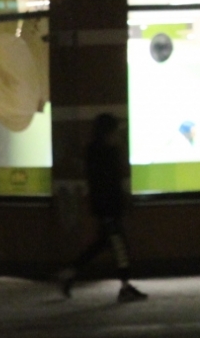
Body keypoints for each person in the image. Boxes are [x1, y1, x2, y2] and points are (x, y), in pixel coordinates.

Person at [61, 113, 147, 302]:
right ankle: (124, 288)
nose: (117, 134)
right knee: (120, 247)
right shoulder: (106, 152)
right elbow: (110, 182)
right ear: (108, 132)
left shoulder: (95, 151)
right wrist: (120, 204)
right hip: (109, 208)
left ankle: (71, 271)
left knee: (102, 244)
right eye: (115, 131)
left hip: (104, 207)